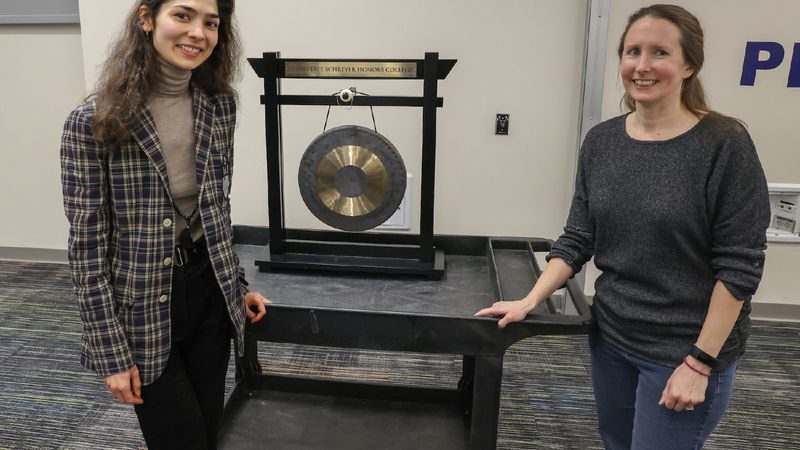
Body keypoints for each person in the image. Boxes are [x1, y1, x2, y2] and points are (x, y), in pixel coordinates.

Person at [476, 4, 770, 449]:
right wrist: (530, 299)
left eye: (660, 53)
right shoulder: (602, 141)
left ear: (689, 65)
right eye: (633, 51)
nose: (643, 65)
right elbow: (578, 237)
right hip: (612, 338)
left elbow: (740, 267)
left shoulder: (725, 145)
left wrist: (700, 362)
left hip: (683, 351)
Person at [60, 1, 269, 448]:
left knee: (209, 431)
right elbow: (87, 248)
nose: (198, 32)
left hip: (210, 290)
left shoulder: (220, 107)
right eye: (183, 15)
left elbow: (216, 209)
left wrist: (235, 283)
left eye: (210, 23)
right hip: (143, 303)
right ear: (146, 18)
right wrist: (110, 353)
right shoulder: (92, 122)